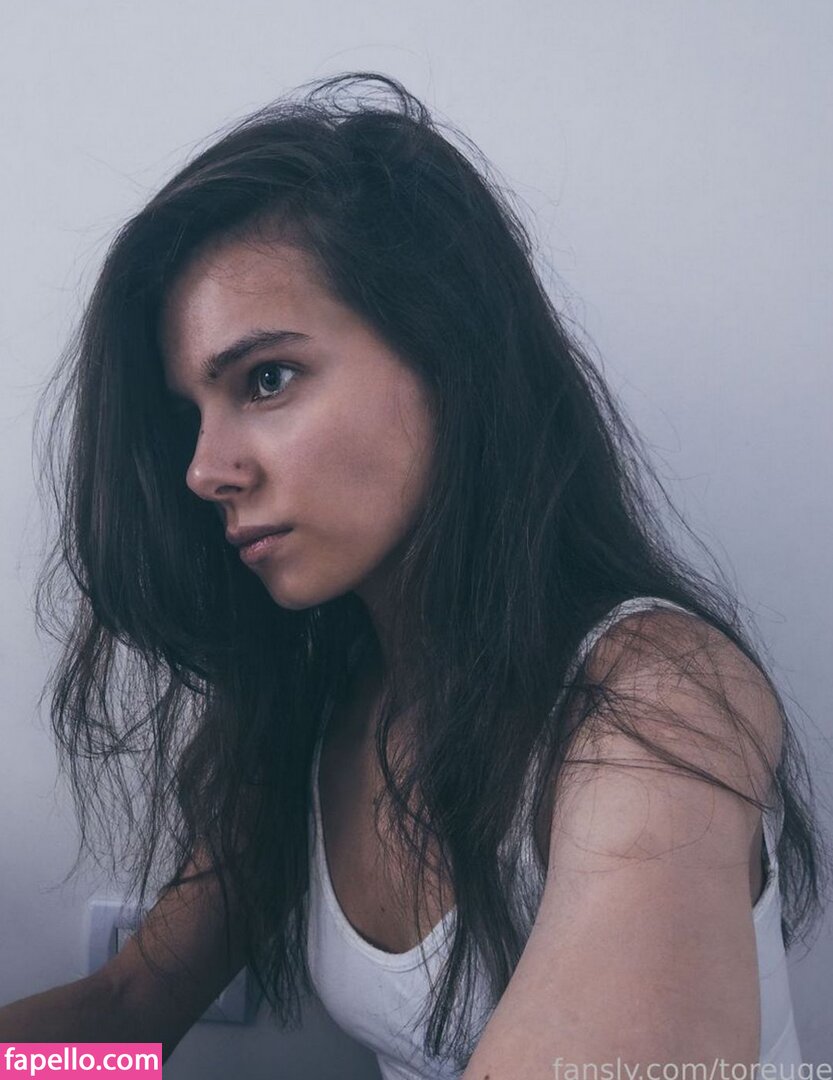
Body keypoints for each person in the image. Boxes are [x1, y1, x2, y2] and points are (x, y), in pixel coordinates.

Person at [0, 72, 826, 1077]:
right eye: (190, 415)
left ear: (447, 356)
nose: (204, 470)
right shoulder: (313, 709)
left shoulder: (656, 703)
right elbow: (133, 1017)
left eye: (266, 379)